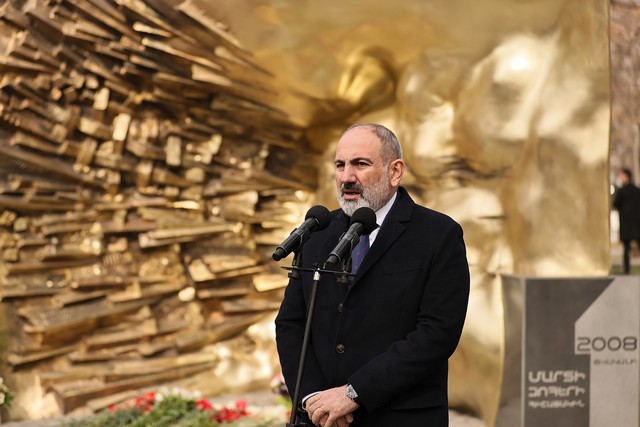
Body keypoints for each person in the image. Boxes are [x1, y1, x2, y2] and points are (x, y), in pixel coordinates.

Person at [275, 123, 470, 427]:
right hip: (323, 419)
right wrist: (312, 397)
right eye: (340, 165)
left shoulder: (438, 235)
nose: (346, 176)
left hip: (401, 418)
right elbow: (291, 323)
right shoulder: (317, 233)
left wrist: (354, 393)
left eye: (360, 164)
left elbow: (436, 333)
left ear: (395, 171)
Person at [612, 168, 640, 274]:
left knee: (626, 248)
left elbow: (615, 204)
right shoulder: (637, 190)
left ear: (625, 176)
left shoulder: (622, 191)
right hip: (637, 222)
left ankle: (626, 270)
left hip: (626, 223)